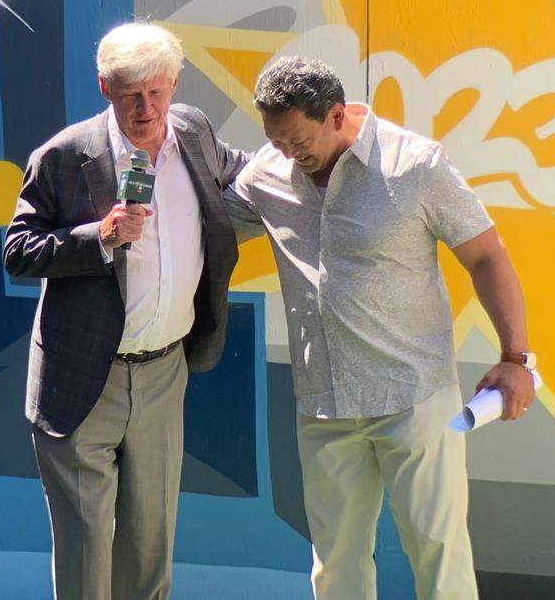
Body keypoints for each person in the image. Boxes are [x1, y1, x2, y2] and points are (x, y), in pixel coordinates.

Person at [224, 57, 537, 599]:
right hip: (323, 406)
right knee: (335, 568)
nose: (287, 155)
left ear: (337, 114)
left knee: (438, 555)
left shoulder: (416, 165)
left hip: (414, 400)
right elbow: (201, 224)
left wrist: (516, 360)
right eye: (275, 141)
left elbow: (487, 256)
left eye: (297, 140)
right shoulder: (266, 175)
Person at [3, 22, 249, 600]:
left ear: (175, 84)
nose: (146, 108)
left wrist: (319, 155)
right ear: (104, 88)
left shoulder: (193, 130)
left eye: (156, 91)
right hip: (83, 376)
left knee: (148, 552)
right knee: (88, 554)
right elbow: (18, 252)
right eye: (130, 93)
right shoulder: (65, 156)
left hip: (165, 372)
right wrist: (101, 234)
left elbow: (246, 173)